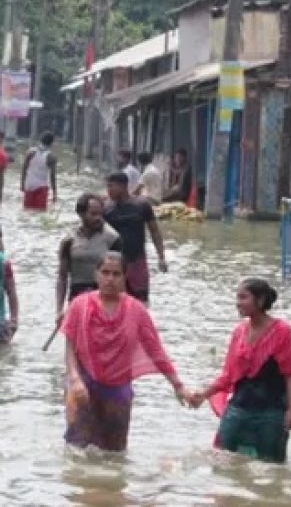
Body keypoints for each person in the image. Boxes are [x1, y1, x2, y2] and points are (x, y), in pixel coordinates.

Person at [61, 252, 188, 452]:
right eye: (105, 273)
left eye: (116, 274)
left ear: (124, 277)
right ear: (96, 275)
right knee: (77, 449)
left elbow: (156, 351)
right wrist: (74, 378)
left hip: (117, 389)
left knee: (114, 454)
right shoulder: (80, 305)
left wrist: (178, 385)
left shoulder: (136, 311)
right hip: (83, 385)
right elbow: (70, 346)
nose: (110, 279)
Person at [186, 279, 291, 463]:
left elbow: (290, 373)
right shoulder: (239, 332)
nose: (238, 303)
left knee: (272, 468)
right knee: (221, 460)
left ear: (260, 300)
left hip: (272, 412)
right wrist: (203, 395)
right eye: (237, 297)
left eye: (243, 297)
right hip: (239, 408)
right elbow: (228, 375)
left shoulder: (282, 332)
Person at [55, 193, 122, 323]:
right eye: (93, 214)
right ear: (81, 214)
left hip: (105, 299)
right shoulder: (69, 240)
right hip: (76, 298)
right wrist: (59, 310)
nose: (98, 218)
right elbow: (62, 277)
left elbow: (121, 276)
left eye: (100, 214)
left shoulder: (112, 238)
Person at [103, 172, 168, 305]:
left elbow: (155, 232)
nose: (108, 190)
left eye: (111, 186)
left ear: (123, 186)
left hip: (137, 261)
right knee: (114, 302)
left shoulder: (142, 205)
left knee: (140, 302)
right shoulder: (106, 209)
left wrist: (161, 257)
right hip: (114, 263)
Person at [20, 132, 58, 211]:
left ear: (41, 140)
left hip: (29, 186)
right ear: (51, 143)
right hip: (42, 187)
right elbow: (52, 177)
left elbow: (24, 169)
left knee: (27, 211)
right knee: (40, 212)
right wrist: (54, 193)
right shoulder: (51, 157)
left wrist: (22, 184)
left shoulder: (30, 152)